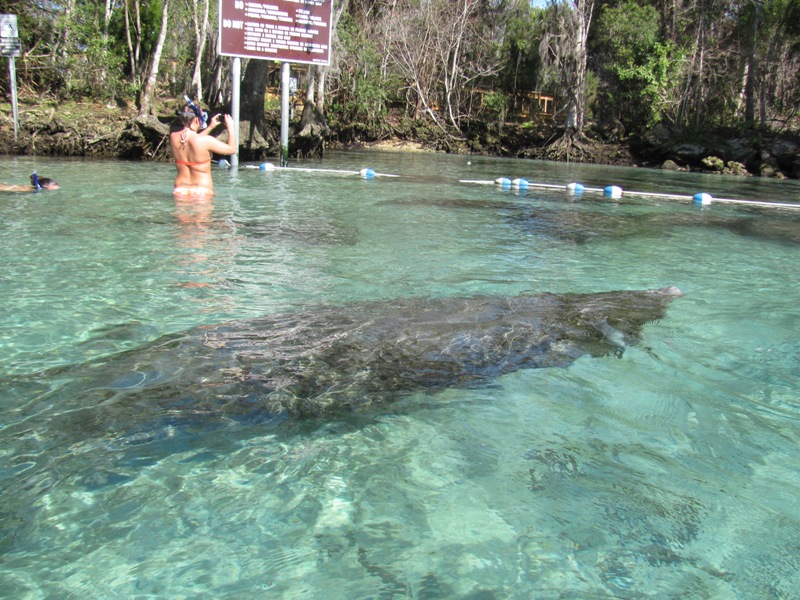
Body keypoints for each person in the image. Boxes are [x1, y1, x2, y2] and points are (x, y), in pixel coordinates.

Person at [170, 100, 237, 197]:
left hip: (180, 189)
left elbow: (193, 141)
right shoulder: (205, 141)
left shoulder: (173, 137)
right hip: (202, 190)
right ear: (197, 120)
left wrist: (211, 127)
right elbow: (232, 149)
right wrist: (230, 127)